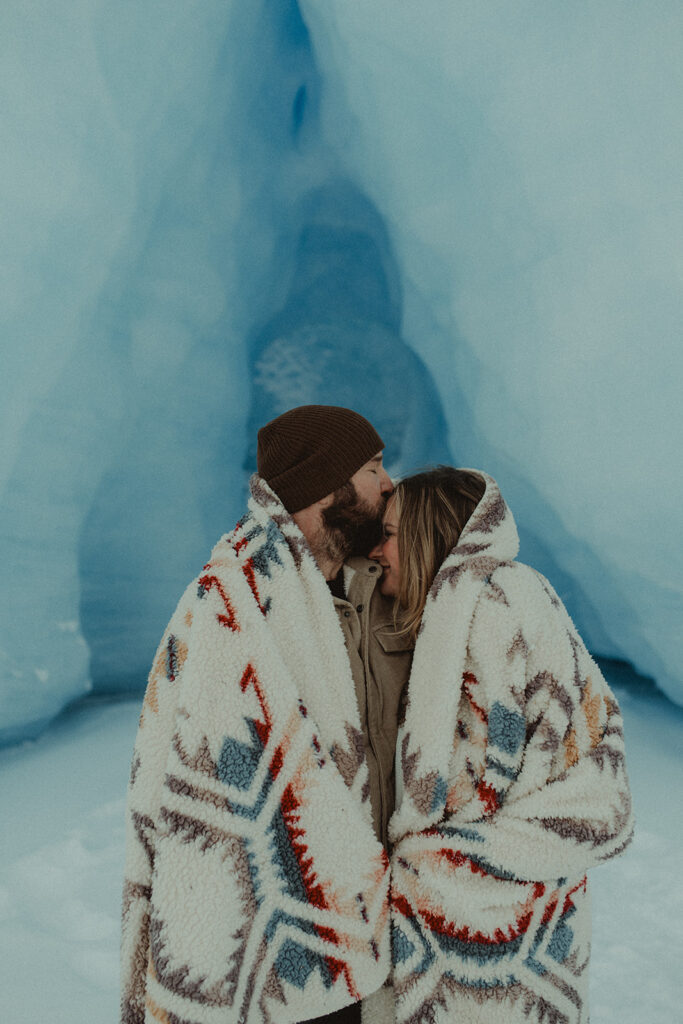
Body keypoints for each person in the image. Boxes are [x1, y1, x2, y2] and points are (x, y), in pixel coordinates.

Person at [120, 405, 412, 1024]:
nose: (389, 484)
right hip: (276, 932)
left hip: (367, 929)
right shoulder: (237, 595)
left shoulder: (369, 589)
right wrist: (338, 883)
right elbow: (226, 771)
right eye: (371, 466)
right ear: (325, 484)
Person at [368, 466, 634, 1024]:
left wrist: (425, 862)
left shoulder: (492, 608)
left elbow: (503, 768)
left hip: (497, 911)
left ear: (428, 536)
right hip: (526, 909)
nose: (376, 548)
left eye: (390, 533)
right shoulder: (497, 598)